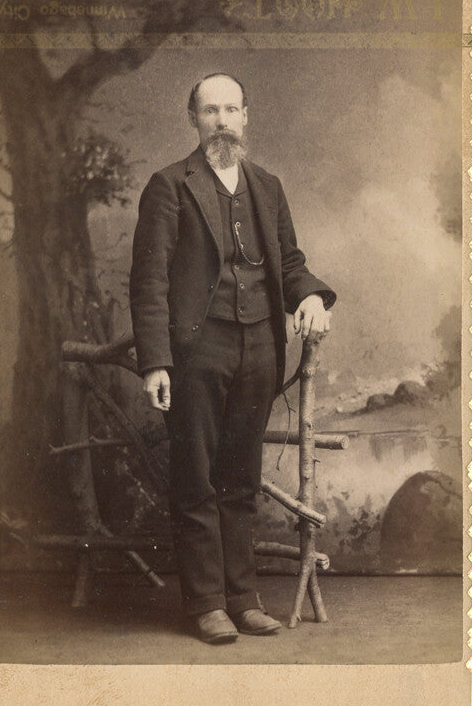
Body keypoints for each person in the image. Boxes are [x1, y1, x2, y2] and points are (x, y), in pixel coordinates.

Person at [130, 73, 336, 643]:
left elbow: (289, 262)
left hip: (260, 348)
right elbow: (149, 280)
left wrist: (312, 297)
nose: (221, 121)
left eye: (230, 110)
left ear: (246, 116)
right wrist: (156, 362)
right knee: (196, 477)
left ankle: (243, 599)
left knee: (241, 478)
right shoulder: (169, 185)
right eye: (209, 111)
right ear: (193, 120)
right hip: (198, 350)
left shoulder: (267, 185)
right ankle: (206, 604)